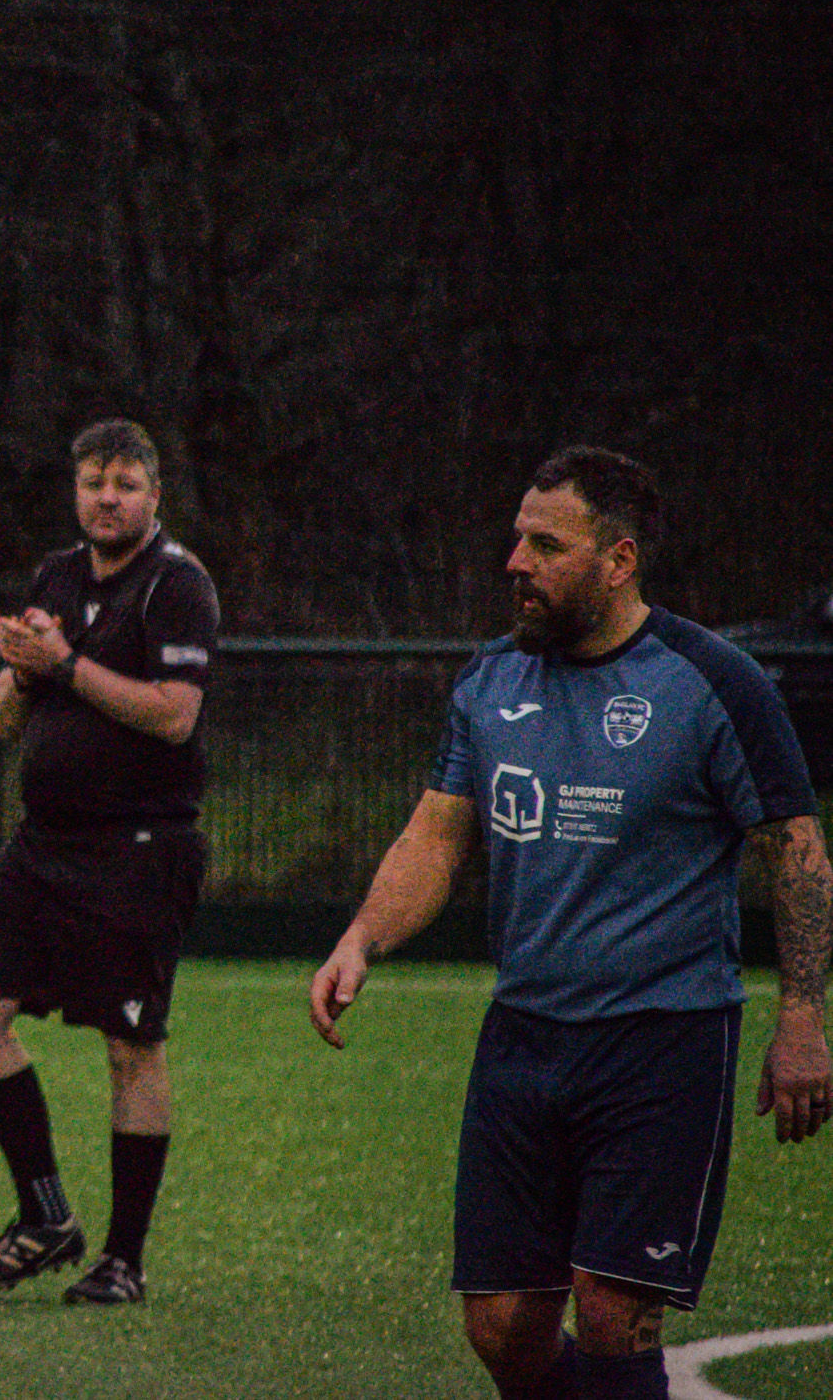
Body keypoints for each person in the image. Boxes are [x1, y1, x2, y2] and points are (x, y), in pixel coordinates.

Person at [311, 446, 830, 1400]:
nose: (516, 562)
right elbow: (435, 836)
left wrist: (802, 1014)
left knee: (611, 1314)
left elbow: (795, 849)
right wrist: (361, 938)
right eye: (517, 538)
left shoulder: (714, 682)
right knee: (504, 1326)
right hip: (524, 1035)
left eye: (546, 544)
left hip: (663, 1040)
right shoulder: (490, 681)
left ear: (619, 560)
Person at [0, 418, 218, 1306]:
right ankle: (45, 1213)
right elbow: (0, 718)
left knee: (131, 1045)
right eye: (94, 482)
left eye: (126, 483)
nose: (108, 497)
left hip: (138, 846)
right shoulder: (56, 576)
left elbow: (174, 715)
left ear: (154, 493)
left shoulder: (177, 586)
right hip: (43, 844)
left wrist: (62, 664)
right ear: (75, 490)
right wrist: (22, 673)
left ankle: (124, 1260)